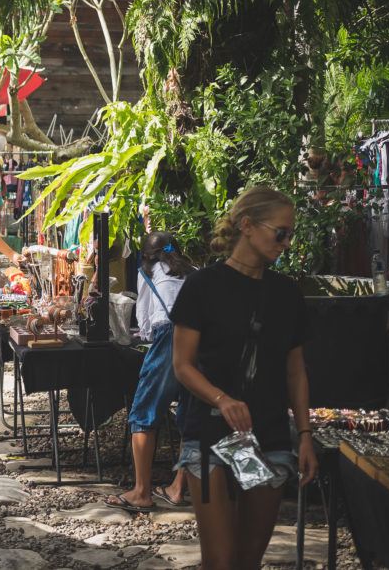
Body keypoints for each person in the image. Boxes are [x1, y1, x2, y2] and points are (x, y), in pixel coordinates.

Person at [171, 186, 317, 570]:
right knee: (219, 561)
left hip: (268, 434)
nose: (286, 242)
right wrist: (221, 398)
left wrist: (304, 435)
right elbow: (182, 365)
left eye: (290, 234)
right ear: (248, 226)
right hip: (209, 432)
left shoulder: (286, 293)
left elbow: (295, 370)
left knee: (247, 560)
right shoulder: (202, 286)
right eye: (280, 232)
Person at [107, 231, 193, 513]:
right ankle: (177, 488)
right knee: (192, 415)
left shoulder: (149, 272)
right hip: (202, 340)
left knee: (144, 410)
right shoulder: (194, 271)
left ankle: (141, 492)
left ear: (145, 256)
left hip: (171, 336)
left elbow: (145, 323)